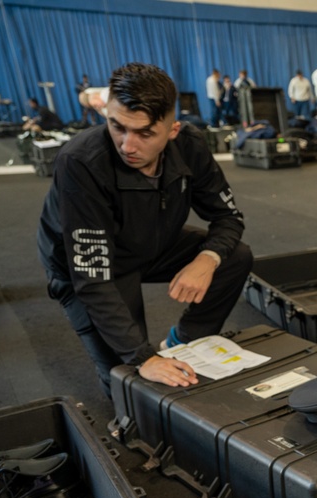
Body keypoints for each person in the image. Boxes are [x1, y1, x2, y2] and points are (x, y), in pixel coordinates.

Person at [37, 62, 252, 397]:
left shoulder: (190, 146)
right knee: (129, 382)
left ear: (173, 130)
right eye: (117, 126)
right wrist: (141, 357)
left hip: (150, 244)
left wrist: (206, 260)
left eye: (145, 133)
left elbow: (228, 218)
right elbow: (92, 278)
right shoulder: (80, 163)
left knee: (234, 256)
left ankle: (183, 342)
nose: (127, 145)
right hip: (87, 266)